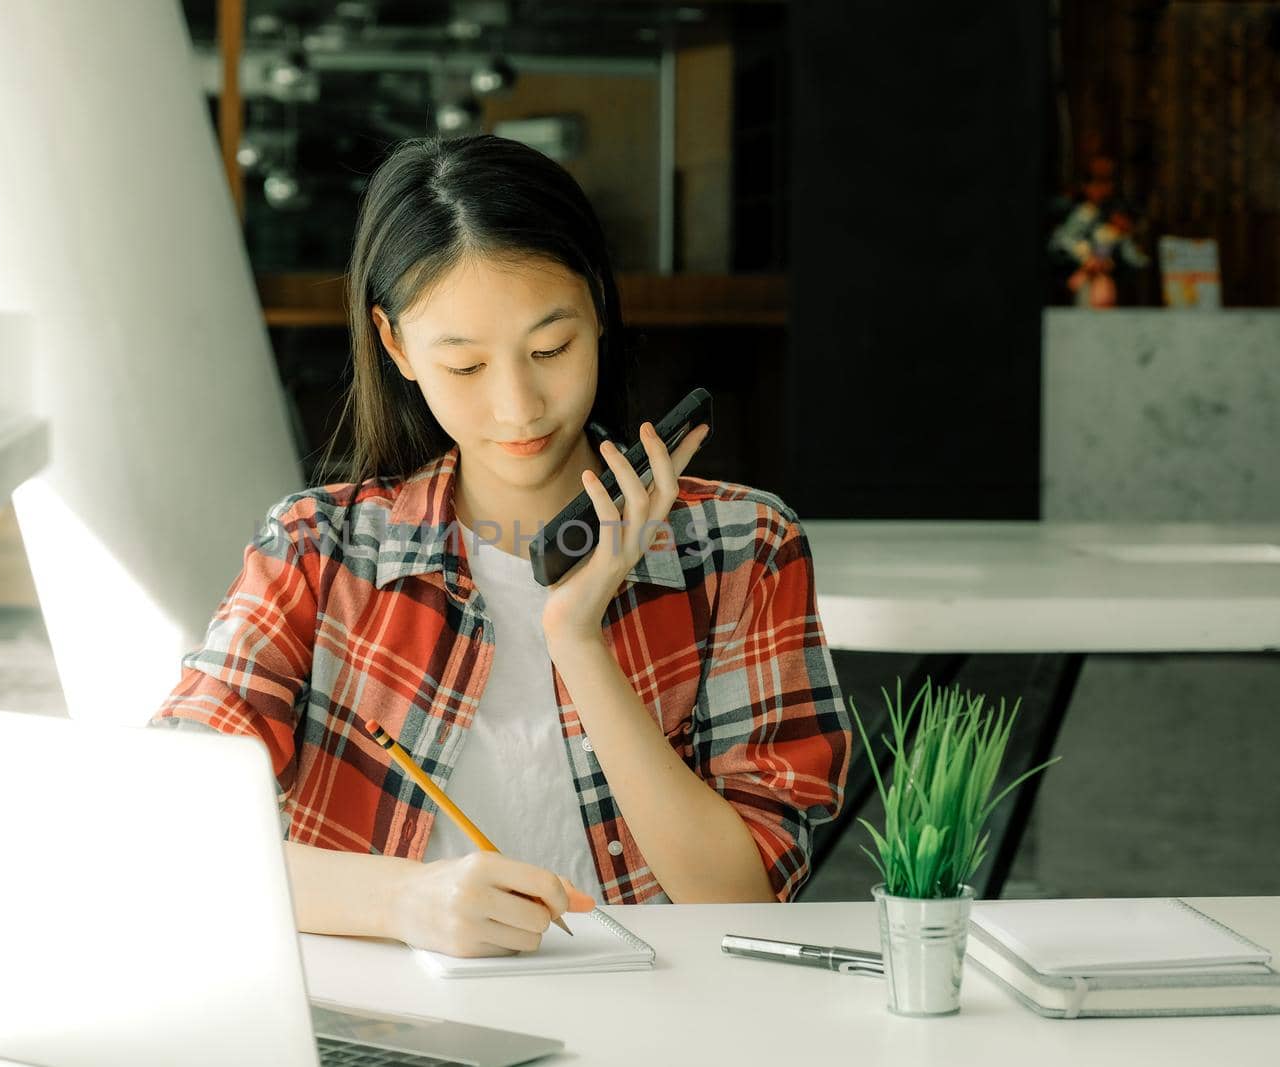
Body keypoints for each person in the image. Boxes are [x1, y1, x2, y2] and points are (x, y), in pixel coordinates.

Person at [151, 134, 850, 959]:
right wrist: (406, 900)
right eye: (466, 365)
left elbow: (745, 896)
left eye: (551, 350)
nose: (519, 407)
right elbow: (171, 824)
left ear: (597, 307)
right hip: (396, 1029)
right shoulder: (319, 550)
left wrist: (577, 639)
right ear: (398, 345)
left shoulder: (743, 550)